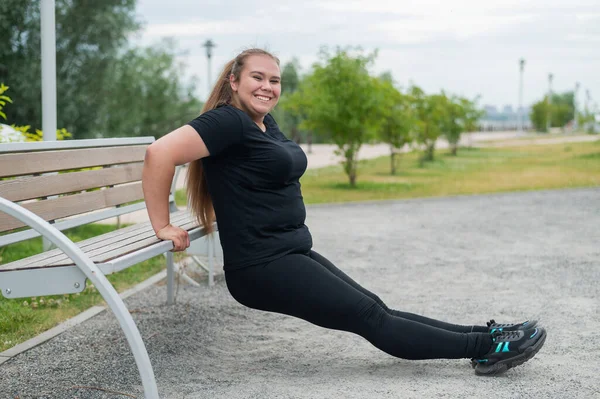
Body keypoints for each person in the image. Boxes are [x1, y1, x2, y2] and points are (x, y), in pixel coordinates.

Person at [141, 48, 546, 376]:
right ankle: (488, 348)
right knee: (372, 319)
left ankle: (487, 336)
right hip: (261, 267)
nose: (267, 86)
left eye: (274, 80)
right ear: (233, 81)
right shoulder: (227, 120)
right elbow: (160, 153)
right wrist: (161, 224)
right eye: (257, 78)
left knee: (377, 308)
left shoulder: (262, 123)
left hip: (286, 253)